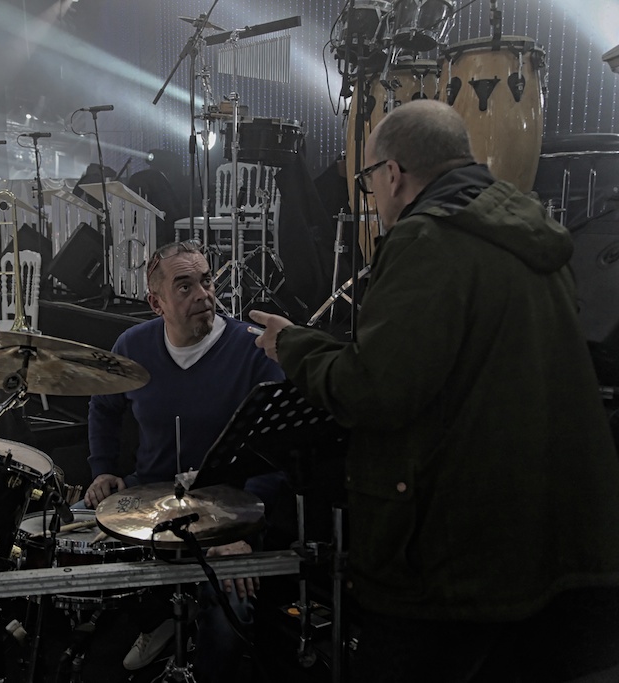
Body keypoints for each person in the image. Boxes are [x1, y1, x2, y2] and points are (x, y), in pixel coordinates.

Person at [249, 99, 619, 682]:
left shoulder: (427, 239)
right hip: (547, 540)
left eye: (369, 180)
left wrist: (291, 344)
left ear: (392, 173)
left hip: (456, 559)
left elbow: (374, 390)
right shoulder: (532, 232)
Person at [84, 239, 288, 680]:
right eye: (184, 286)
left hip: (231, 508)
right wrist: (103, 469)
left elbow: (275, 450)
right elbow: (103, 405)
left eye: (207, 281)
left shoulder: (251, 350)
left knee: (229, 611)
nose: (203, 294)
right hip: (152, 497)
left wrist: (242, 535)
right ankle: (157, 617)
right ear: (155, 303)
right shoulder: (133, 344)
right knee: (76, 544)